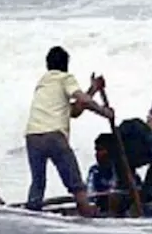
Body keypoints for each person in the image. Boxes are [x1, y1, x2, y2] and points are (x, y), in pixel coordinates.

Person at [23, 46, 114, 215]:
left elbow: (74, 111)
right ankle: (86, 209)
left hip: (32, 136)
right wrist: (105, 112)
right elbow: (82, 100)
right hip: (54, 135)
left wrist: (93, 89)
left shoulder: (43, 82)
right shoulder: (65, 78)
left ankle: (32, 211)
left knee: (38, 181)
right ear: (66, 64)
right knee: (74, 181)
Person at [85, 133, 128, 216]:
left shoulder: (124, 170)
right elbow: (89, 192)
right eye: (96, 150)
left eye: (101, 150)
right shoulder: (95, 170)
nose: (97, 154)